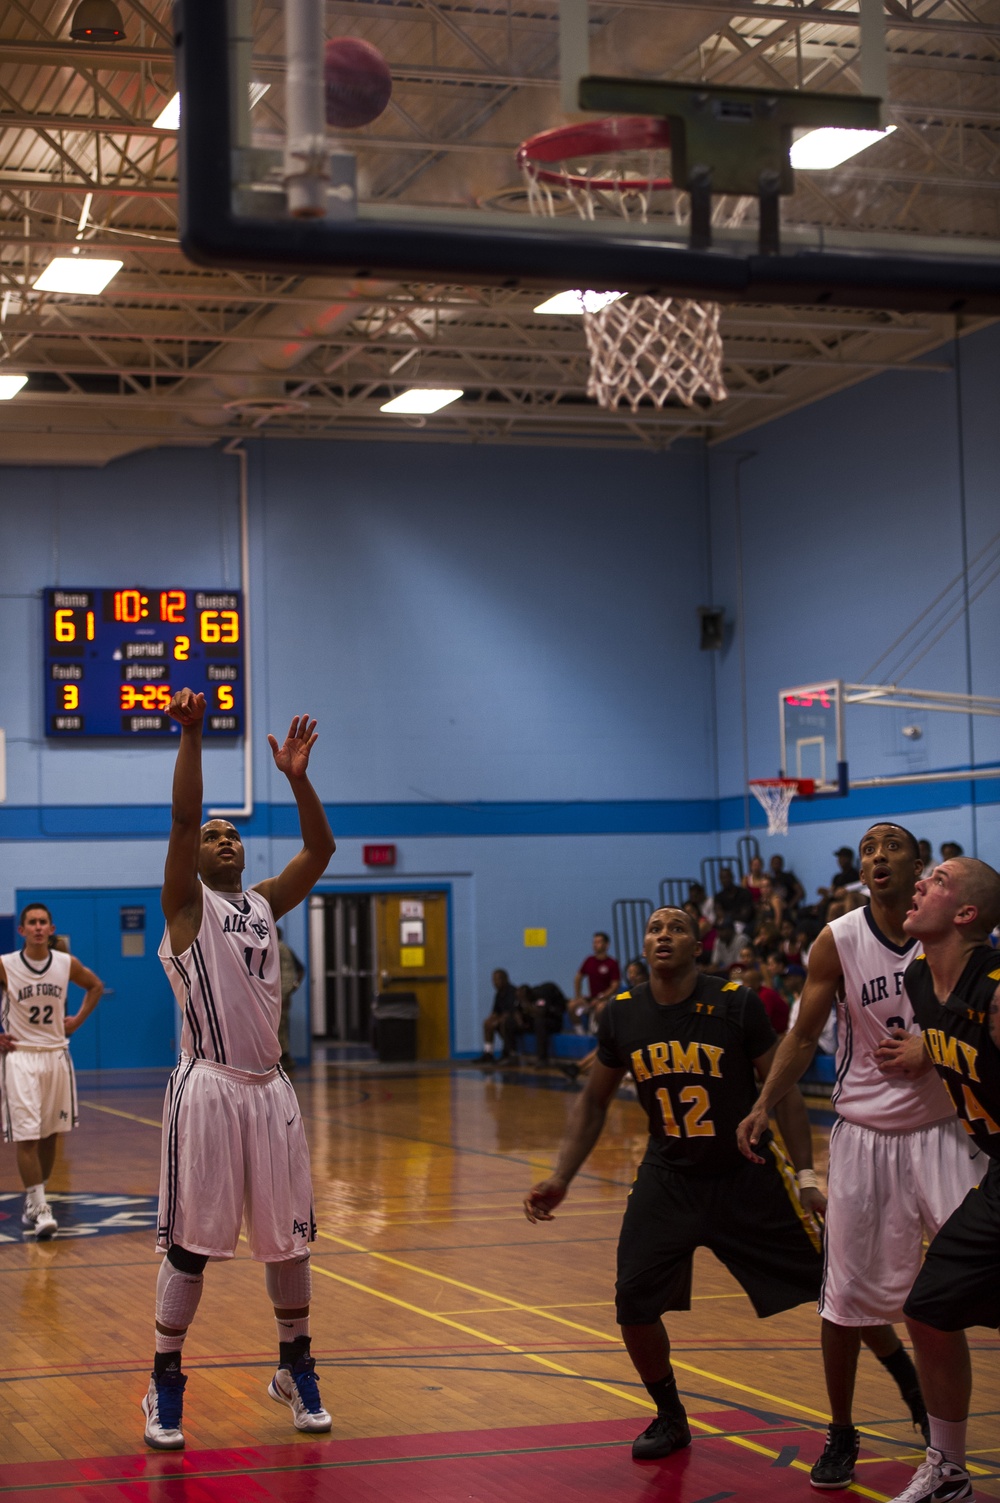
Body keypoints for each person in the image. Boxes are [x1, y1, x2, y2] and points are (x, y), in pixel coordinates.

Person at [524, 906, 825, 1461]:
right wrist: (561, 1177)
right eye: (655, 928)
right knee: (632, 1301)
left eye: (677, 928)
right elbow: (593, 1102)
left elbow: (783, 1092)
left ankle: (894, 1393)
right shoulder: (620, 1015)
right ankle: (670, 1415)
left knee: (837, 1290)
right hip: (668, 1176)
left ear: (697, 944)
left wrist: (806, 1175)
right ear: (644, 945)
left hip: (745, 1172)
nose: (663, 935)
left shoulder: (737, 1002)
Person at [737, 824, 985, 1490]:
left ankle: (945, 1451)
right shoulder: (839, 938)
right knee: (844, 1300)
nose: (877, 855)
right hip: (864, 1134)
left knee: (949, 1296)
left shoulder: (958, 937)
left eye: (892, 846)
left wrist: (933, 1048)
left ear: (920, 867)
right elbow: (803, 1032)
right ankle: (842, 1429)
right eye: (869, 847)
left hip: (947, 1131)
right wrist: (764, 1101)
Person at [144, 688, 336, 1452]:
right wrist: (191, 736)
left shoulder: (260, 904)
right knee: (193, 1246)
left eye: (233, 834)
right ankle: (163, 1380)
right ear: (193, 857)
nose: (224, 838)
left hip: (272, 1089)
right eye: (213, 834)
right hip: (210, 1088)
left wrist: (297, 780)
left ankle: (296, 1366)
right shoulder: (185, 908)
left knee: (290, 1242)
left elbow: (320, 852)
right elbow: (184, 817)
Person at [874, 856, 1000, 1503]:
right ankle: (948, 1469)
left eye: (938, 880)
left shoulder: (997, 989)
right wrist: (926, 1048)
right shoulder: (921, 976)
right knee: (928, 1309)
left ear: (966, 913)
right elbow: (951, 1040)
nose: (920, 882)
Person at [0, 903, 103, 1239]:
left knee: (49, 1134)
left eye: (43, 922)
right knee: (27, 1134)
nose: (38, 927)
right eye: (32, 923)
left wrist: (77, 1020)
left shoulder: (65, 963)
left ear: (51, 928)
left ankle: (35, 1199)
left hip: (57, 1055)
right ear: (22, 930)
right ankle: (40, 1205)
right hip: (21, 1056)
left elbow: (95, 986)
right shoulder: (6, 965)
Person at [569, 932, 620, 1031]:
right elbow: (578, 978)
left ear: (606, 945)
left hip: (606, 999)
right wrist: (578, 996)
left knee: (600, 1008)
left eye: (599, 942)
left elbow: (614, 985)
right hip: (591, 998)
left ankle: (601, 1034)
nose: (595, 945)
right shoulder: (589, 960)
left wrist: (601, 997)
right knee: (571, 1005)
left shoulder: (612, 963)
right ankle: (580, 1033)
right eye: (594, 942)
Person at [515, 981, 567, 1066]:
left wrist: (527, 1005)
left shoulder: (540, 996)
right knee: (509, 1022)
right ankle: (511, 1054)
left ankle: (542, 1059)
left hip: (553, 1022)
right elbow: (516, 1011)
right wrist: (519, 1020)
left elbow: (541, 1012)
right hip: (534, 1023)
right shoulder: (519, 1000)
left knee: (539, 1022)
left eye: (522, 997)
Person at [276, 926, 305, 1071]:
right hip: (286, 993)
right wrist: (294, 985)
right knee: (282, 1025)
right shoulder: (287, 949)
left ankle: (283, 1058)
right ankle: (284, 1057)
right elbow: (301, 969)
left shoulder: (273, 948)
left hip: (276, 995)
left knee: (277, 1027)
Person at [475, 968, 519, 1063]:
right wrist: (491, 1020)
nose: (494, 983)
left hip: (514, 1023)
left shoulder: (513, 992)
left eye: (497, 979)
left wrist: (497, 1020)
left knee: (504, 1022)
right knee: (487, 1023)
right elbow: (495, 1012)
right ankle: (488, 1053)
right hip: (502, 1020)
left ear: (505, 979)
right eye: (493, 980)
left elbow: (512, 1013)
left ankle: (508, 1054)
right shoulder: (498, 994)